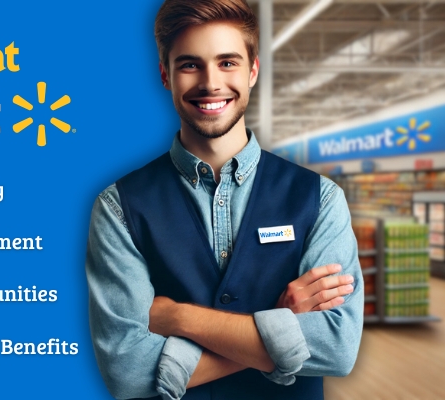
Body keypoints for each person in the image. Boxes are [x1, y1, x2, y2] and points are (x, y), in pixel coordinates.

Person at [85, 0, 364, 399]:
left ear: (253, 70)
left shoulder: (320, 199)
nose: (210, 82)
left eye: (228, 62)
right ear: (166, 74)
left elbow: (336, 348)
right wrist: (283, 327)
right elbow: (128, 371)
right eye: (190, 64)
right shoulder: (119, 208)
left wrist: (179, 317)